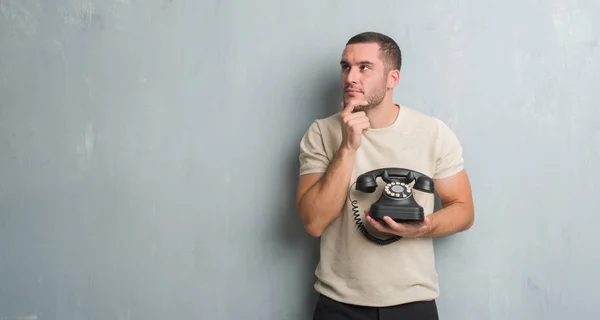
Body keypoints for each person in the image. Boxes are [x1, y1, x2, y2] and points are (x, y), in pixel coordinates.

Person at [295, 31, 475, 319]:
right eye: (346, 67)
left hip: (413, 301)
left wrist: (425, 226)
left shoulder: (433, 133)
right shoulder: (321, 133)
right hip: (338, 302)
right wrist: (348, 149)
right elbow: (314, 223)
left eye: (364, 67)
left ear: (393, 78)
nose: (351, 77)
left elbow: (464, 210)